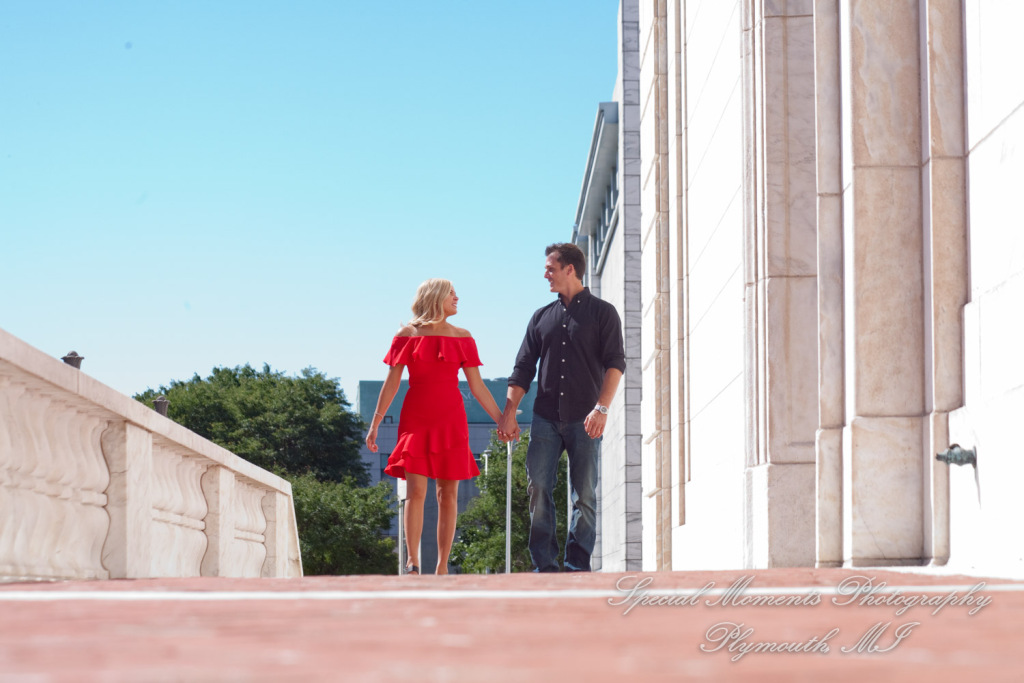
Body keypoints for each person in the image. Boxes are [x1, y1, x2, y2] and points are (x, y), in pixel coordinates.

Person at [498, 243, 625, 572]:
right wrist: (509, 412)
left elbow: (615, 364)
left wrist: (602, 408)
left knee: (584, 494)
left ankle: (577, 565)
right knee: (538, 487)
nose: (546, 275)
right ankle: (545, 566)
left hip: (586, 419)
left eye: (551, 269)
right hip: (545, 418)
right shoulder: (541, 317)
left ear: (571, 269)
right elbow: (523, 368)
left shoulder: (603, 313)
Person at [366, 278, 504, 576]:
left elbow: (477, 387)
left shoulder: (463, 337)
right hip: (416, 417)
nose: (457, 297)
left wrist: (502, 418)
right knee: (416, 490)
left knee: (448, 494)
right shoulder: (406, 334)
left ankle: (442, 566)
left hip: (451, 420)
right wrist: (375, 423)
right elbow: (391, 383)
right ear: (436, 297)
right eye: (452, 293)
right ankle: (412, 561)